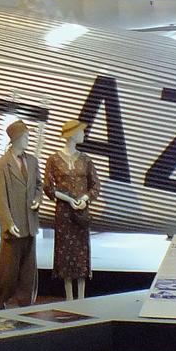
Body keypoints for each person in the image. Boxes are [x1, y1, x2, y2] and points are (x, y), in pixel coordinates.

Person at [46, 119, 102, 300]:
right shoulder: (54, 160)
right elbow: (48, 187)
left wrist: (85, 199)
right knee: (65, 252)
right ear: (71, 135)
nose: (83, 135)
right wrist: (69, 200)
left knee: (81, 252)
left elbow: (95, 185)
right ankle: (69, 297)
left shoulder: (85, 160)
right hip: (64, 214)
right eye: (81, 132)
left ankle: (82, 296)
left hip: (81, 214)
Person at [0, 120, 40, 308]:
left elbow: (38, 186)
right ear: (16, 139)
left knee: (28, 269)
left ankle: (25, 301)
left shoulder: (32, 161)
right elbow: (0, 197)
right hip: (14, 224)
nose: (28, 140)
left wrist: (37, 199)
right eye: (25, 136)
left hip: (29, 222)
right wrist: (8, 222)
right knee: (7, 268)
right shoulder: (2, 165)